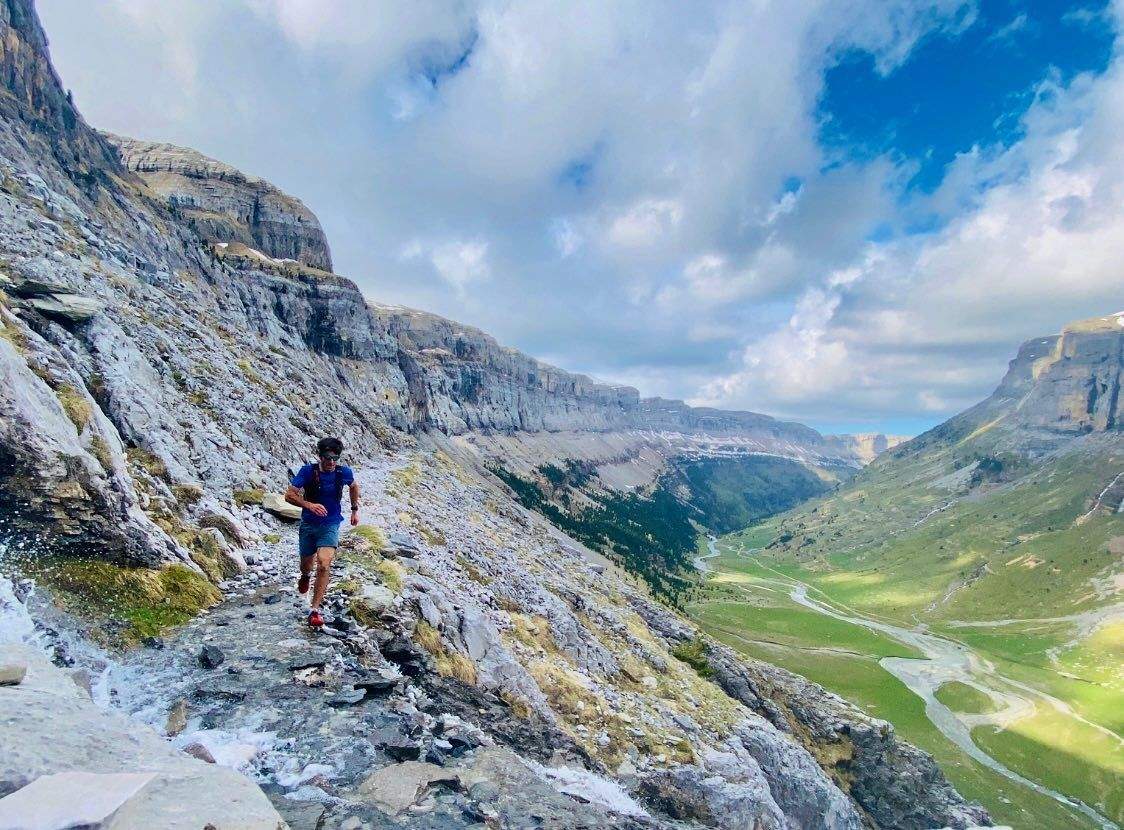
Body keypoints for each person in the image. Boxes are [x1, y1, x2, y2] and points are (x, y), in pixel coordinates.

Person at [285, 436, 359, 627]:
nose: (331, 463)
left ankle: (315, 610)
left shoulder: (344, 473)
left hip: (330, 524)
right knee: (306, 565)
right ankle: (305, 577)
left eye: (335, 459)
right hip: (309, 525)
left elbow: (353, 486)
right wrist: (308, 505)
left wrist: (354, 510)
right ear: (320, 457)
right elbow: (289, 495)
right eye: (328, 458)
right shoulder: (308, 471)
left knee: (324, 563)